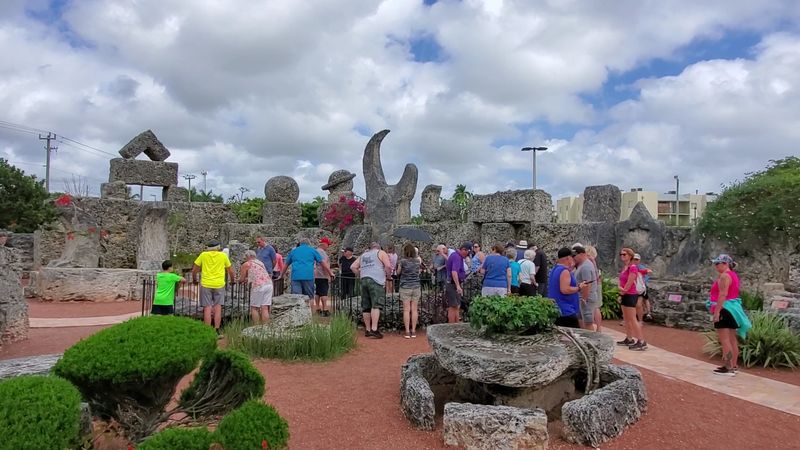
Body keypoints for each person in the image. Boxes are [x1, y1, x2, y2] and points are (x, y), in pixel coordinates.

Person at [708, 254, 751, 376]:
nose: (716, 266)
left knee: (725, 339)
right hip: (733, 309)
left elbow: (723, 294)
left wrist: (717, 311)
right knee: (732, 339)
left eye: (718, 263)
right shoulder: (733, 275)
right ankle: (733, 365)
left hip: (725, 308)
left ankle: (728, 367)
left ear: (725, 264)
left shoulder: (724, 276)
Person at [350, 242, 393, 338]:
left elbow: (352, 267)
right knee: (376, 305)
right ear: (378, 247)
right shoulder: (381, 253)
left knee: (366, 306)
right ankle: (374, 329)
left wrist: (359, 274)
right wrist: (388, 276)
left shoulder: (363, 255)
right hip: (376, 280)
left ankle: (368, 329)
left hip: (364, 280)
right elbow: (388, 266)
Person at [192, 242, 235, 334]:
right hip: (219, 284)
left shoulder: (203, 255)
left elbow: (195, 269)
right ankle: (217, 329)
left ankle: (207, 330)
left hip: (206, 284)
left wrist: (194, 279)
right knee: (218, 307)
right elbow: (230, 271)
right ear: (218, 248)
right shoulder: (223, 256)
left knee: (207, 307)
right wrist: (232, 281)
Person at [547, 247, 587, 328]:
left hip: (557, 308)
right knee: (574, 336)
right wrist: (579, 287)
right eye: (572, 257)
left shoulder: (555, 269)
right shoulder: (564, 271)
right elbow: (565, 289)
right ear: (568, 258)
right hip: (566, 311)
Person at [617, 248, 647, 350]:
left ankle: (641, 341)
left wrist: (623, 290)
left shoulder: (633, 267)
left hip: (630, 294)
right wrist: (621, 293)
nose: (622, 256)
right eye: (621, 254)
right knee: (626, 318)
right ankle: (629, 338)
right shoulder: (625, 267)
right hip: (625, 294)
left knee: (633, 319)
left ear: (630, 256)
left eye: (624, 254)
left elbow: (630, 282)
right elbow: (621, 280)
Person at [279, 239, 323, 305]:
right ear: (308, 244)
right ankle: (309, 312)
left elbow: (286, 264)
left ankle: (298, 313)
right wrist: (330, 272)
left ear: (300, 244)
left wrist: (281, 275)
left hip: (296, 276)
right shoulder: (312, 250)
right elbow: (322, 262)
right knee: (309, 297)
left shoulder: (294, 251)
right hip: (308, 276)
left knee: (296, 296)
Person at [239, 250, 273, 324]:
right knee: (265, 307)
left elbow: (241, 278)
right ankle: (265, 326)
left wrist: (239, 280)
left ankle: (256, 327)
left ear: (248, 256)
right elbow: (259, 274)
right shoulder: (260, 263)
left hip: (258, 286)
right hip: (268, 284)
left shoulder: (247, 264)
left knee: (254, 307)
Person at [397, 243, 422, 338]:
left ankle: (407, 331)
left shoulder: (402, 261)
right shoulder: (417, 261)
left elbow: (398, 272)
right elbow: (418, 271)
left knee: (406, 310)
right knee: (414, 309)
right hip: (416, 286)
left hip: (405, 286)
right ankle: (414, 331)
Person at [573, 246, 601, 331]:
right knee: (582, 321)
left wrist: (584, 299)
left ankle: (591, 341)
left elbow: (587, 284)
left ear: (581, 254)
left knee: (588, 322)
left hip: (587, 299)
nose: (573, 258)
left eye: (574, 255)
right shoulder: (583, 265)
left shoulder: (586, 266)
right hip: (583, 298)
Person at [445, 243, 470, 323]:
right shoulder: (456, 256)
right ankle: (452, 327)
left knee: (457, 306)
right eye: (468, 252)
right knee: (453, 306)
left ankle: (456, 325)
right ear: (463, 250)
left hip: (454, 283)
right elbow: (454, 272)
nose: (468, 254)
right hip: (452, 284)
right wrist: (458, 286)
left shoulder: (458, 256)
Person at [314, 237, 335, 316]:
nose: (328, 246)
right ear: (324, 244)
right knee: (324, 293)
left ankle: (317, 308)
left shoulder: (315, 251)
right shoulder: (322, 252)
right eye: (328, 245)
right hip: (322, 275)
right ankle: (325, 309)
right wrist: (329, 274)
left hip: (316, 275)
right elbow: (324, 264)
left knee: (318, 292)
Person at [584, 245, 603, 331]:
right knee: (596, 307)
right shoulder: (594, 262)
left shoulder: (590, 261)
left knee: (594, 307)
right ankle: (599, 328)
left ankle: (596, 328)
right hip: (597, 285)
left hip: (594, 286)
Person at [633, 254, 654, 322]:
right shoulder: (630, 267)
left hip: (641, 287)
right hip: (634, 288)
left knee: (644, 300)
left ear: (639, 260)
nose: (635, 261)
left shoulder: (641, 267)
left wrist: (642, 281)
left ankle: (648, 313)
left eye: (636, 259)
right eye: (634, 259)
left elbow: (648, 274)